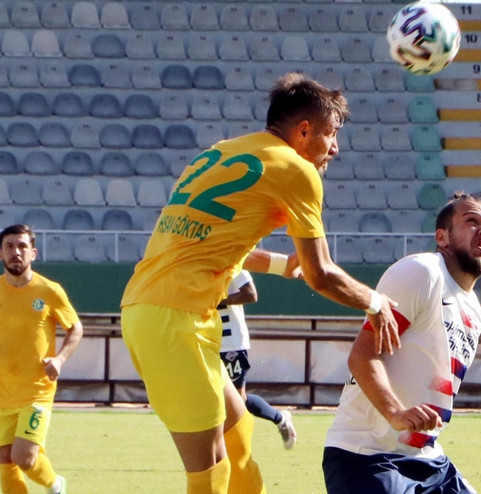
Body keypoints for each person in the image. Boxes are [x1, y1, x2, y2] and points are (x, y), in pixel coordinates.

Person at [120, 73, 400, 494]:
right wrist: (376, 303)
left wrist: (280, 265)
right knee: (210, 465)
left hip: (163, 310)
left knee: (238, 434)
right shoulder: (297, 170)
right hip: (173, 320)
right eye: (331, 134)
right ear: (304, 130)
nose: (335, 147)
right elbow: (322, 274)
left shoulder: (220, 152)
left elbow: (205, 240)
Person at [322, 192, 481, 494]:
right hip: (366, 456)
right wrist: (395, 413)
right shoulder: (422, 272)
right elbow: (363, 356)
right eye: (472, 221)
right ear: (442, 237)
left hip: (429, 462)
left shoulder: (475, 312)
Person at [0, 224, 83, 494]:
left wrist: (59, 359)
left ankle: (55, 485)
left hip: (36, 391)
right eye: (10, 246)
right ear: (1, 253)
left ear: (33, 253)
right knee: (4, 458)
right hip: (3, 392)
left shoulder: (49, 291)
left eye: (22, 246)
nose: (16, 252)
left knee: (23, 457)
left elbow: (75, 328)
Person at [218, 270, 296, 450]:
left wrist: (217, 300)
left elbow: (251, 294)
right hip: (205, 339)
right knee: (211, 397)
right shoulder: (194, 260)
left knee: (237, 401)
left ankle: (280, 418)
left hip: (231, 342)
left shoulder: (232, 260)